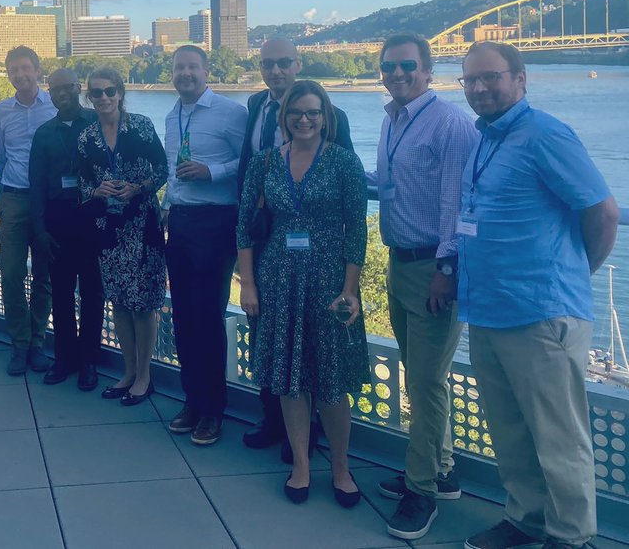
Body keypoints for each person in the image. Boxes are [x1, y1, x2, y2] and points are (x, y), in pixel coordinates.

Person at [456, 42, 618, 549]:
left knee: (558, 437)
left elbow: (604, 212)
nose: (480, 88)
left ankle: (571, 537)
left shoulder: (546, 134)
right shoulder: (486, 138)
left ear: (521, 79)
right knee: (509, 429)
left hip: (540, 313)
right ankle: (525, 519)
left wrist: (573, 273)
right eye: (471, 80)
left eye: (492, 78)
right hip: (488, 308)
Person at [236, 80, 369, 508]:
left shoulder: (345, 163)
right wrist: (249, 283)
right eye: (297, 113)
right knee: (290, 379)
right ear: (285, 117)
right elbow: (244, 227)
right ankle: (300, 463)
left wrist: (351, 290)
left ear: (325, 117)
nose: (305, 120)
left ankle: (341, 468)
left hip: (329, 282)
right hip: (278, 279)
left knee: (330, 380)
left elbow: (357, 231)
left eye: (313, 112)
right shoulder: (264, 163)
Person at [369, 36, 478, 541]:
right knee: (420, 374)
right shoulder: (394, 118)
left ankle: (422, 493)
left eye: (407, 65)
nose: (397, 73)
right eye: (389, 66)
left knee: (426, 383)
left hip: (433, 268)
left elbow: (459, 204)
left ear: (429, 70)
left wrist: (448, 269)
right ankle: (443, 468)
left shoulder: (449, 123)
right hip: (400, 262)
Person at [162, 45, 248, 446]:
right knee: (182, 316)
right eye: (180, 68)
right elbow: (171, 170)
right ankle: (192, 400)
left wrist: (211, 171)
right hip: (180, 222)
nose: (186, 74)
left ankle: (214, 410)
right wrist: (167, 205)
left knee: (208, 317)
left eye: (192, 67)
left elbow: (249, 162)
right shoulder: (171, 114)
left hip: (216, 224)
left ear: (206, 71)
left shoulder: (231, 113)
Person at [77, 67, 168, 407]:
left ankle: (145, 375)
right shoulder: (86, 138)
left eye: (109, 91)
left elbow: (162, 170)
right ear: (89, 97)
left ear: (120, 93)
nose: (103, 98)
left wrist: (138, 187)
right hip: (107, 230)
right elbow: (83, 183)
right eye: (96, 93)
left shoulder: (141, 126)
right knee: (118, 300)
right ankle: (128, 371)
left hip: (141, 225)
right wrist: (96, 190)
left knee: (143, 304)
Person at [30, 67, 101, 390]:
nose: (63, 94)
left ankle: (88, 361)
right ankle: (64, 358)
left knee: (92, 293)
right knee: (60, 293)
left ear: (78, 88)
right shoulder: (45, 133)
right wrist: (40, 230)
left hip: (91, 216)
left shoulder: (98, 123)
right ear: (50, 92)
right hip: (58, 219)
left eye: (68, 88)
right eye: (56, 89)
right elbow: (37, 186)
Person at [0, 45, 56, 375]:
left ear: (37, 70)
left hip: (47, 202)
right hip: (15, 197)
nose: (20, 75)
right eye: (13, 70)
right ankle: (19, 342)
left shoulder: (54, 107)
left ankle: (37, 343)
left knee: (44, 275)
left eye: (25, 68)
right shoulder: (2, 110)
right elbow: (2, 154)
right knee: (11, 272)